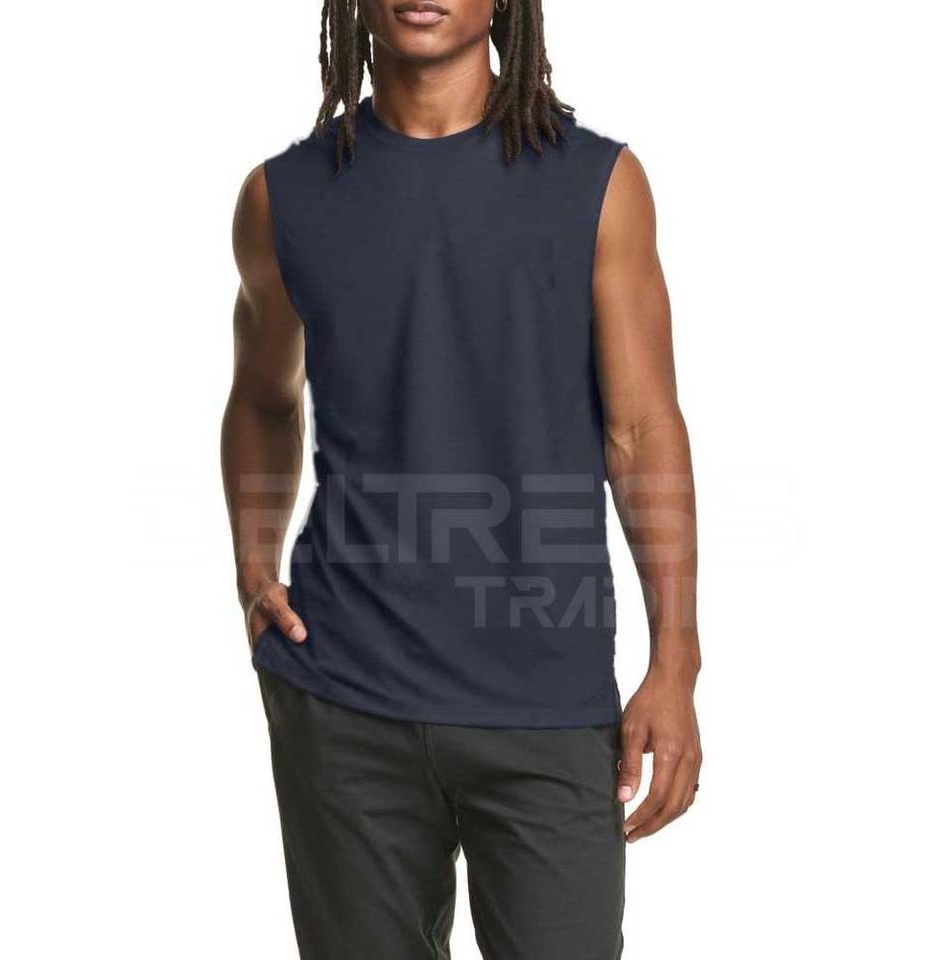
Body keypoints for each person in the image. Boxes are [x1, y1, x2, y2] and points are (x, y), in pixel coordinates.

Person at [222, 1, 702, 956]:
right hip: (343, 694)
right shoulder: (283, 195)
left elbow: (642, 429)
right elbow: (264, 399)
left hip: (546, 694)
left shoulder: (598, 183)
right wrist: (252, 567)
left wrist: (675, 660)